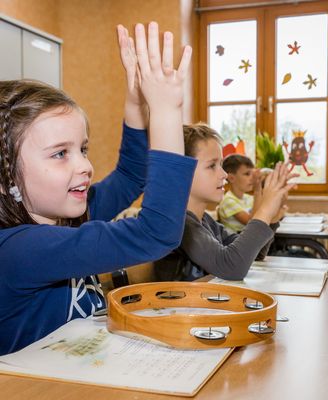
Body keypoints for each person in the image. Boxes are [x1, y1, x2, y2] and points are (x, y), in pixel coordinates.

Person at [0, 22, 196, 355]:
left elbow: (132, 175)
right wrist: (167, 110)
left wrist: (137, 104)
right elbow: (157, 232)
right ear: (7, 180)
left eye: (83, 149)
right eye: (61, 153)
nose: (85, 166)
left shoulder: (66, 215)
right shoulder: (21, 251)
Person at [154, 123, 296, 281]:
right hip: (178, 305)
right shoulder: (179, 224)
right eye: (212, 166)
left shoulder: (205, 220)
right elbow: (231, 267)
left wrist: (272, 217)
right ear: (181, 173)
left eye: (220, 165)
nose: (224, 174)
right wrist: (265, 210)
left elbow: (253, 255)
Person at [218, 154, 262, 234]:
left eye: (253, 174)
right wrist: (257, 190)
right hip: (235, 243)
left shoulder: (249, 198)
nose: (252, 178)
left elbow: (263, 217)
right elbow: (252, 224)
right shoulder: (228, 201)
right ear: (231, 178)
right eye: (247, 174)